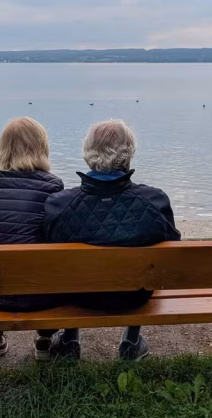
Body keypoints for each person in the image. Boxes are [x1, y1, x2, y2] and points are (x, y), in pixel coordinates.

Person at [44, 119, 181, 361]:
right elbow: (172, 249)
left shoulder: (58, 205)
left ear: (87, 154)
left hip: (79, 296)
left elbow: (49, 258)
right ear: (129, 155)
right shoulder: (155, 201)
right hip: (134, 296)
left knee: (67, 271)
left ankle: (69, 339)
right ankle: (131, 340)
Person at [0, 117, 65, 365]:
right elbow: (55, 236)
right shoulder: (54, 185)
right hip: (41, 295)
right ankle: (44, 339)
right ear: (41, 147)